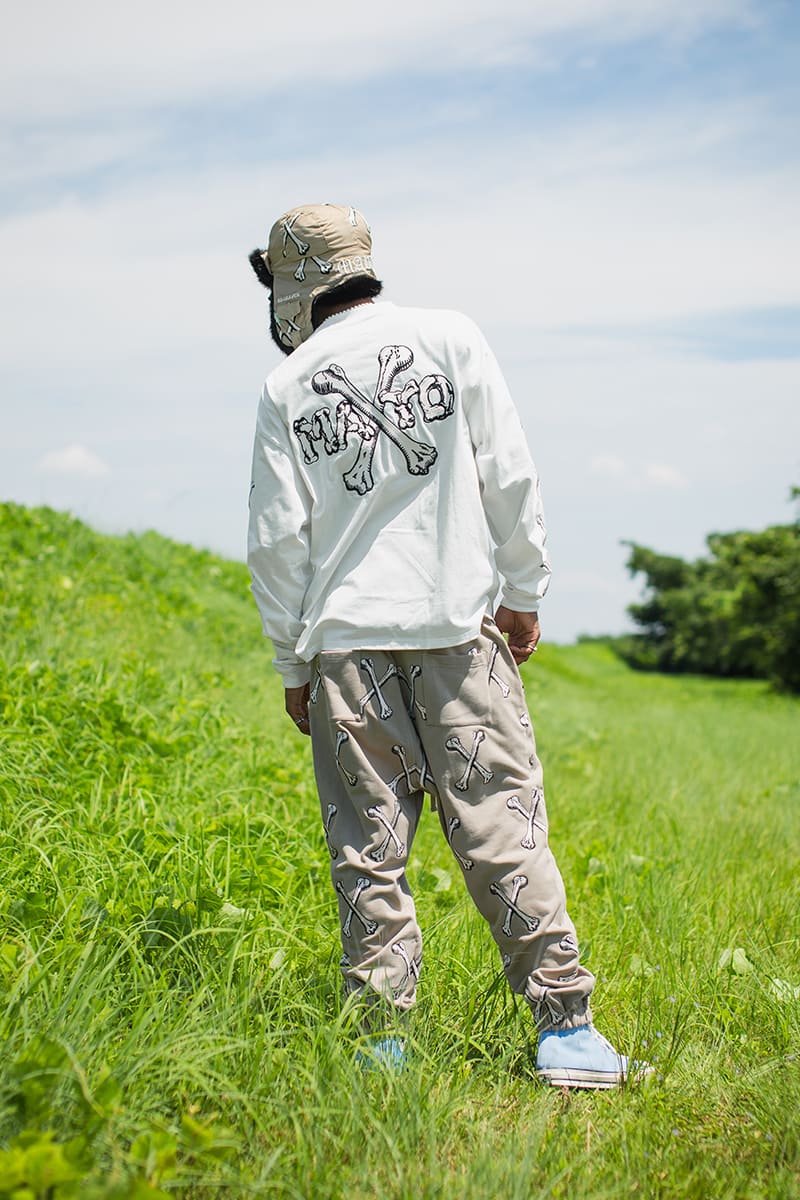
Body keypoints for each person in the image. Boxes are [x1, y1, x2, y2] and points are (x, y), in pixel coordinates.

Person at [246, 203, 645, 1088]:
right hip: (455, 634)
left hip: (346, 652)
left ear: (294, 286)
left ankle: (382, 1044)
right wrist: (524, 591)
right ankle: (566, 1032)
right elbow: (509, 470)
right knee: (503, 829)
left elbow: (278, 541)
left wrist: (291, 662)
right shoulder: (450, 336)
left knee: (369, 850)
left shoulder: (285, 388)